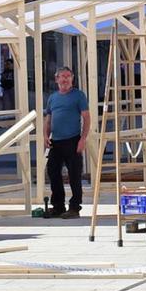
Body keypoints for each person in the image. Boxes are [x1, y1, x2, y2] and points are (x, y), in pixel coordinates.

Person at [43, 66, 90, 219]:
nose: (65, 79)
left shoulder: (78, 96)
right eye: (62, 76)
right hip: (56, 141)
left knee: (74, 175)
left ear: (72, 78)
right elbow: (48, 119)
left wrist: (83, 139)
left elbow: (87, 118)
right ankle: (58, 206)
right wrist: (45, 136)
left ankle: (74, 207)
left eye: (68, 76)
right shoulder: (52, 98)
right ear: (57, 79)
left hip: (73, 140)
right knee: (53, 173)